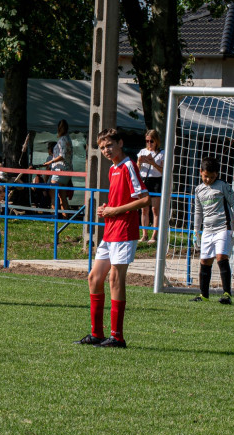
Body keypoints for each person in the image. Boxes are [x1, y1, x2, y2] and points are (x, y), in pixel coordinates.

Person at [75, 129, 150, 349]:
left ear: (120, 143)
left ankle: (117, 337)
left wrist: (115, 211)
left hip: (125, 230)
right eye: (102, 147)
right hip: (110, 231)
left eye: (109, 145)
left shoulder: (128, 166)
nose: (107, 150)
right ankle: (97, 334)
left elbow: (144, 199)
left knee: (115, 279)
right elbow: (118, 200)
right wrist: (106, 208)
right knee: (94, 278)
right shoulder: (113, 169)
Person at [190, 156, 234, 305]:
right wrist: (196, 232)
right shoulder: (198, 190)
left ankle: (227, 294)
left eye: (212, 177)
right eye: (206, 176)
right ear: (201, 172)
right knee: (205, 261)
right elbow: (198, 212)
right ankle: (204, 295)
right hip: (207, 230)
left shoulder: (222, 186)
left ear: (217, 175)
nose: (209, 180)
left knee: (221, 257)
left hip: (223, 228)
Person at [38, 119, 73, 216]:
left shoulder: (62, 140)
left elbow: (62, 156)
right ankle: (65, 218)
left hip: (59, 170)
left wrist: (50, 161)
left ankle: (54, 217)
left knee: (53, 193)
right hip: (67, 170)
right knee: (62, 196)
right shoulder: (68, 139)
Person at [136, 130, 165, 244]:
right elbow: (137, 171)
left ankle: (154, 235)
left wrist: (153, 163)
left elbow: (164, 171)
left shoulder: (162, 153)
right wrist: (139, 162)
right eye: (147, 141)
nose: (149, 144)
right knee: (144, 209)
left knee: (155, 209)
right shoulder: (142, 151)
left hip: (156, 181)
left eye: (151, 141)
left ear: (156, 141)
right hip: (144, 180)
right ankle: (144, 234)